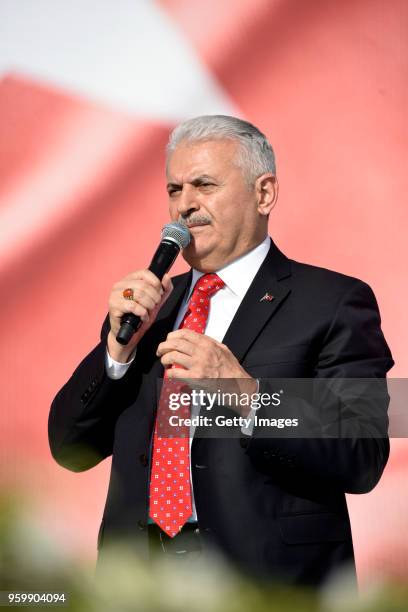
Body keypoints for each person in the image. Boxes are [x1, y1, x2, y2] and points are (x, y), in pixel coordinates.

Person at [48, 115, 394, 588]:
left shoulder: (332, 302)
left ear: (264, 193)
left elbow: (362, 451)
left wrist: (247, 394)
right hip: (136, 588)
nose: (185, 205)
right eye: (174, 189)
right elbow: (70, 449)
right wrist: (116, 351)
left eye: (204, 184)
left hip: (265, 586)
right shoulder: (150, 312)